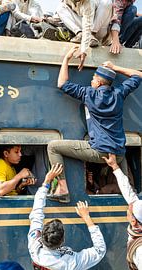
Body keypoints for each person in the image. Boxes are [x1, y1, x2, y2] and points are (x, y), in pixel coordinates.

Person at [47, 48, 142, 203]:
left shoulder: (89, 94)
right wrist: (115, 67)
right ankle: (130, 194)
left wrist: (66, 58)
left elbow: (62, 83)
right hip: (118, 154)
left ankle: (62, 188)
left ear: (98, 82)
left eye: (93, 78)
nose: (91, 81)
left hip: (99, 151)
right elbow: (138, 75)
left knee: (53, 146)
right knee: (124, 177)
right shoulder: (119, 94)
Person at [28, 163, 106, 270]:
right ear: (63, 240)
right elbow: (100, 250)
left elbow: (36, 213)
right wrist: (87, 218)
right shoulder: (70, 264)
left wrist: (46, 182)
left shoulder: (34, 247)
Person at [103, 153, 142, 270]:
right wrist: (114, 166)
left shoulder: (140, 250)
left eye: (129, 210)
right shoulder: (137, 228)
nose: (128, 206)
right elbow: (129, 194)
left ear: (133, 221)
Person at [55, 0, 113, 70]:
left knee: (107, 2)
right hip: (83, 30)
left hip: (98, 30)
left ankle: (90, 35)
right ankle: (79, 33)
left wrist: (83, 50)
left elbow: (87, 25)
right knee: (60, 8)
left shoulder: (88, 3)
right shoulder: (66, 2)